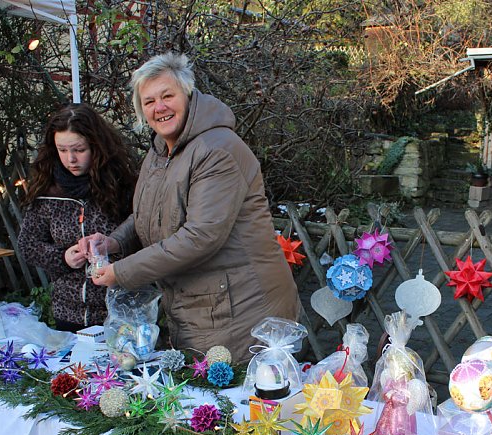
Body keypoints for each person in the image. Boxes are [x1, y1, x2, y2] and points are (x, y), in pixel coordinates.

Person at [79, 52, 298, 362]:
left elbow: (200, 235)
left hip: (241, 308)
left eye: (168, 96)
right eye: (149, 101)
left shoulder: (217, 149)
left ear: (188, 94)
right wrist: (114, 241)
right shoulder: (160, 150)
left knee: (235, 403)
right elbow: (148, 213)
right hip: (203, 305)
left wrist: (123, 272)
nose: (160, 107)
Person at [18, 104, 137, 333]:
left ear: (96, 146)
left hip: (120, 313)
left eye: (79, 150)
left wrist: (113, 252)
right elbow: (28, 245)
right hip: (68, 315)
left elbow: (142, 234)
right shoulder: (47, 191)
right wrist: (62, 258)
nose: (70, 159)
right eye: (62, 150)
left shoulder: (122, 186)